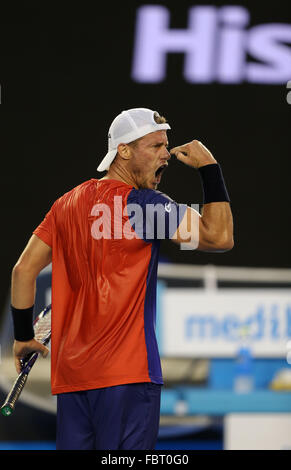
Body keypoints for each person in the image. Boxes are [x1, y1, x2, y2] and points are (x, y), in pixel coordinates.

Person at [10, 107, 234, 450]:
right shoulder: (145, 206)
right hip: (128, 377)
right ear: (124, 150)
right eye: (155, 146)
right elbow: (219, 237)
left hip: (72, 380)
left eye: (166, 145)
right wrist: (210, 169)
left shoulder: (65, 204)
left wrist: (23, 336)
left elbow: (23, 270)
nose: (166, 155)